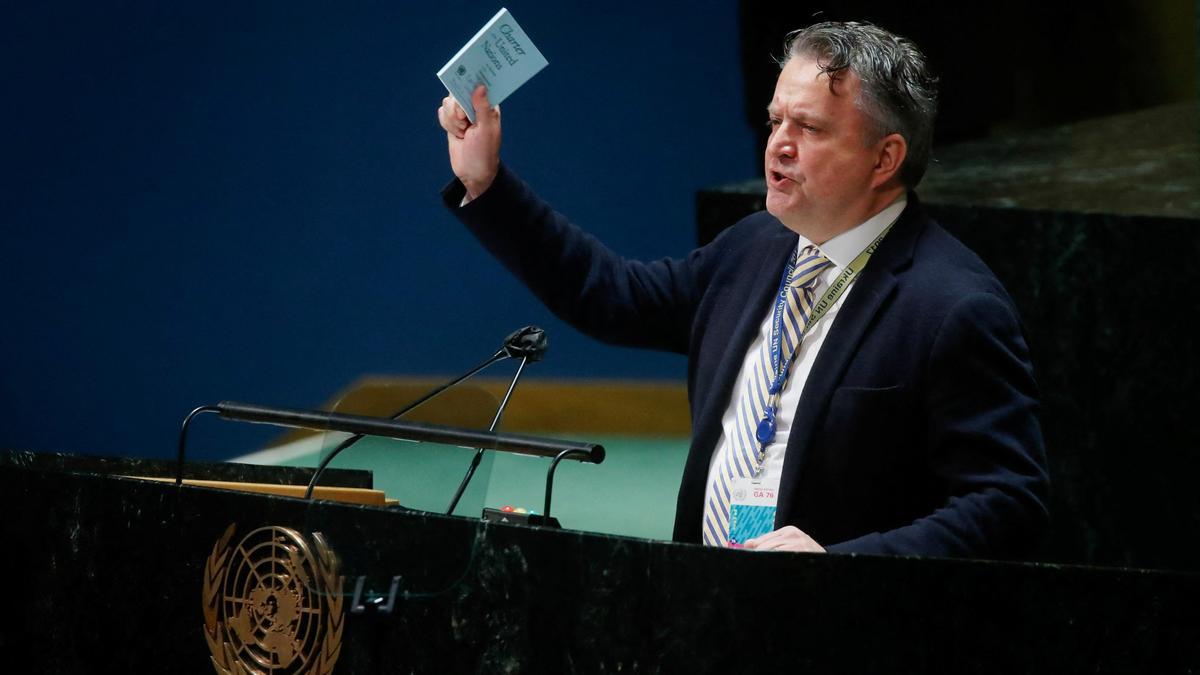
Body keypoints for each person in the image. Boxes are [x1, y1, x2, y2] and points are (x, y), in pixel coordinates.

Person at [436, 21, 1049, 558]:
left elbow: (1006, 503)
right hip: (711, 603)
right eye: (776, 120)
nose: (778, 144)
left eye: (808, 127)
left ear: (885, 158)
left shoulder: (953, 305)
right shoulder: (752, 248)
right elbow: (611, 296)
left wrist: (848, 563)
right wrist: (487, 183)